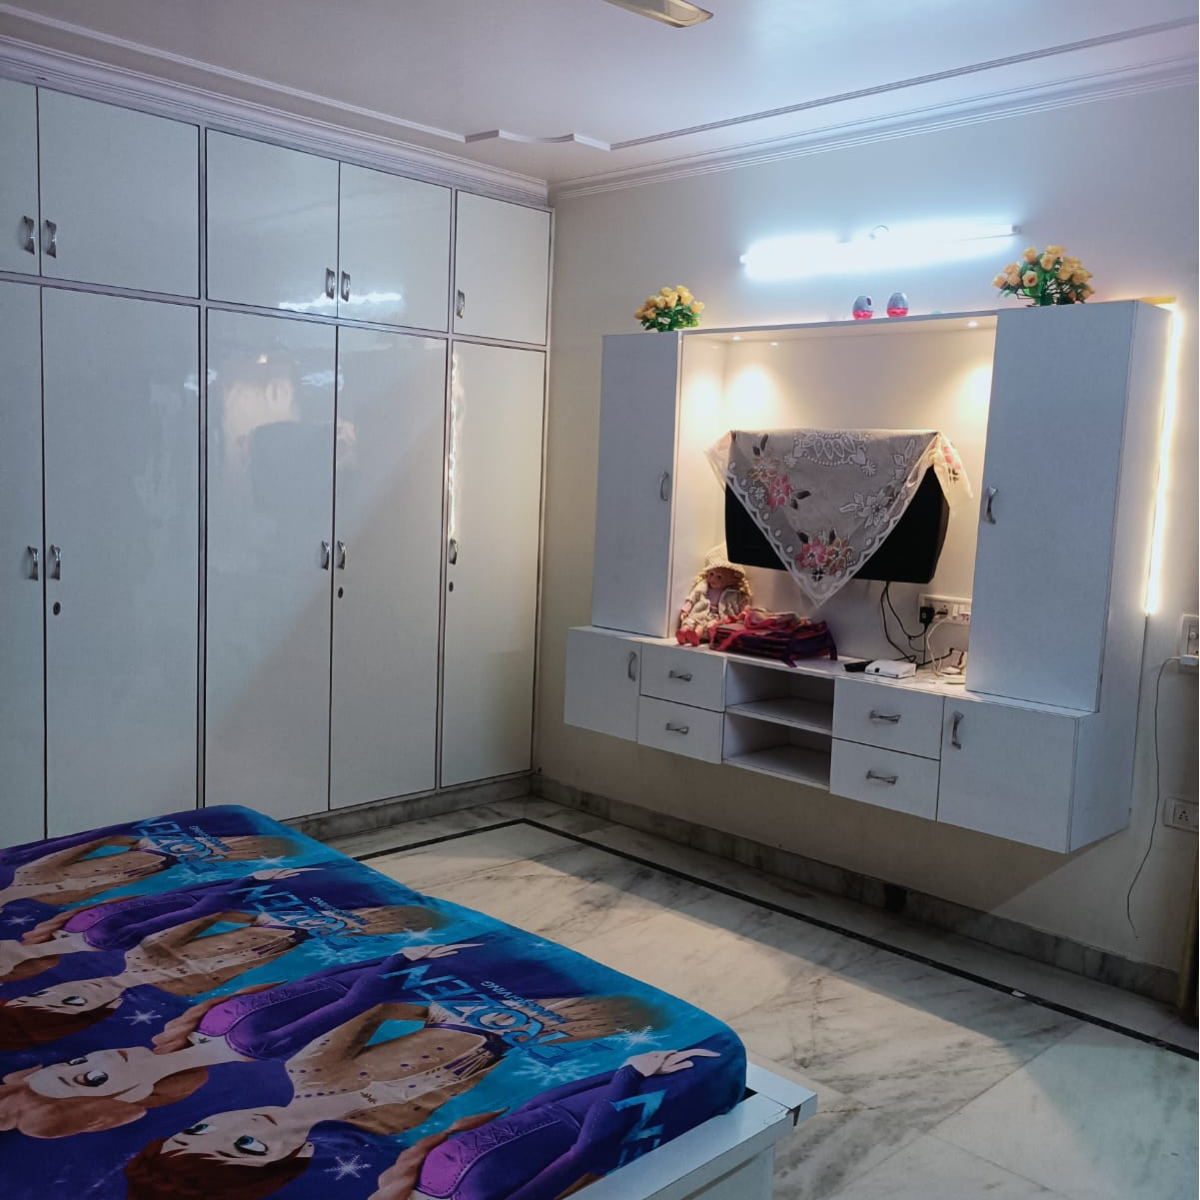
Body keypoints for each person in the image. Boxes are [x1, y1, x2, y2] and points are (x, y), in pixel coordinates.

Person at [120, 971, 660, 1199]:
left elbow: (370, 1011)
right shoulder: (383, 1132)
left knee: (629, 1011)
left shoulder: (307, 1071)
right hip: (537, 1043)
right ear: (287, 1159)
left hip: (488, 1015)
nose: (238, 1125)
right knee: (629, 1017)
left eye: (200, 1129)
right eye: (243, 1146)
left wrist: (441, 1012)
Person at [0, 943, 482, 1139]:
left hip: (355, 966)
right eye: (92, 1076)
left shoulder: (194, 1028)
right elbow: (350, 1007)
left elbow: (295, 987)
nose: (99, 1055)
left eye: (75, 1061)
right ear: (131, 1096)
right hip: (390, 975)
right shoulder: (253, 1049)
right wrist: (401, 960)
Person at [0, 867, 447, 1049]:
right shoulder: (179, 991)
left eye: (45, 993)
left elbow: (198, 912)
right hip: (307, 934)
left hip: (287, 919)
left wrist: (253, 896)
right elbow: (271, 974)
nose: (72, 989)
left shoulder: (128, 956)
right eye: (72, 1001)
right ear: (105, 1007)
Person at [365, 1047, 725, 1200]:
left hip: (605, 1097)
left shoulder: (405, 1174)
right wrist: (626, 1076)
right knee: (710, 1067)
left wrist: (622, 1072)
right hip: (624, 1112)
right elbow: (585, 1152)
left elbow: (532, 1110)